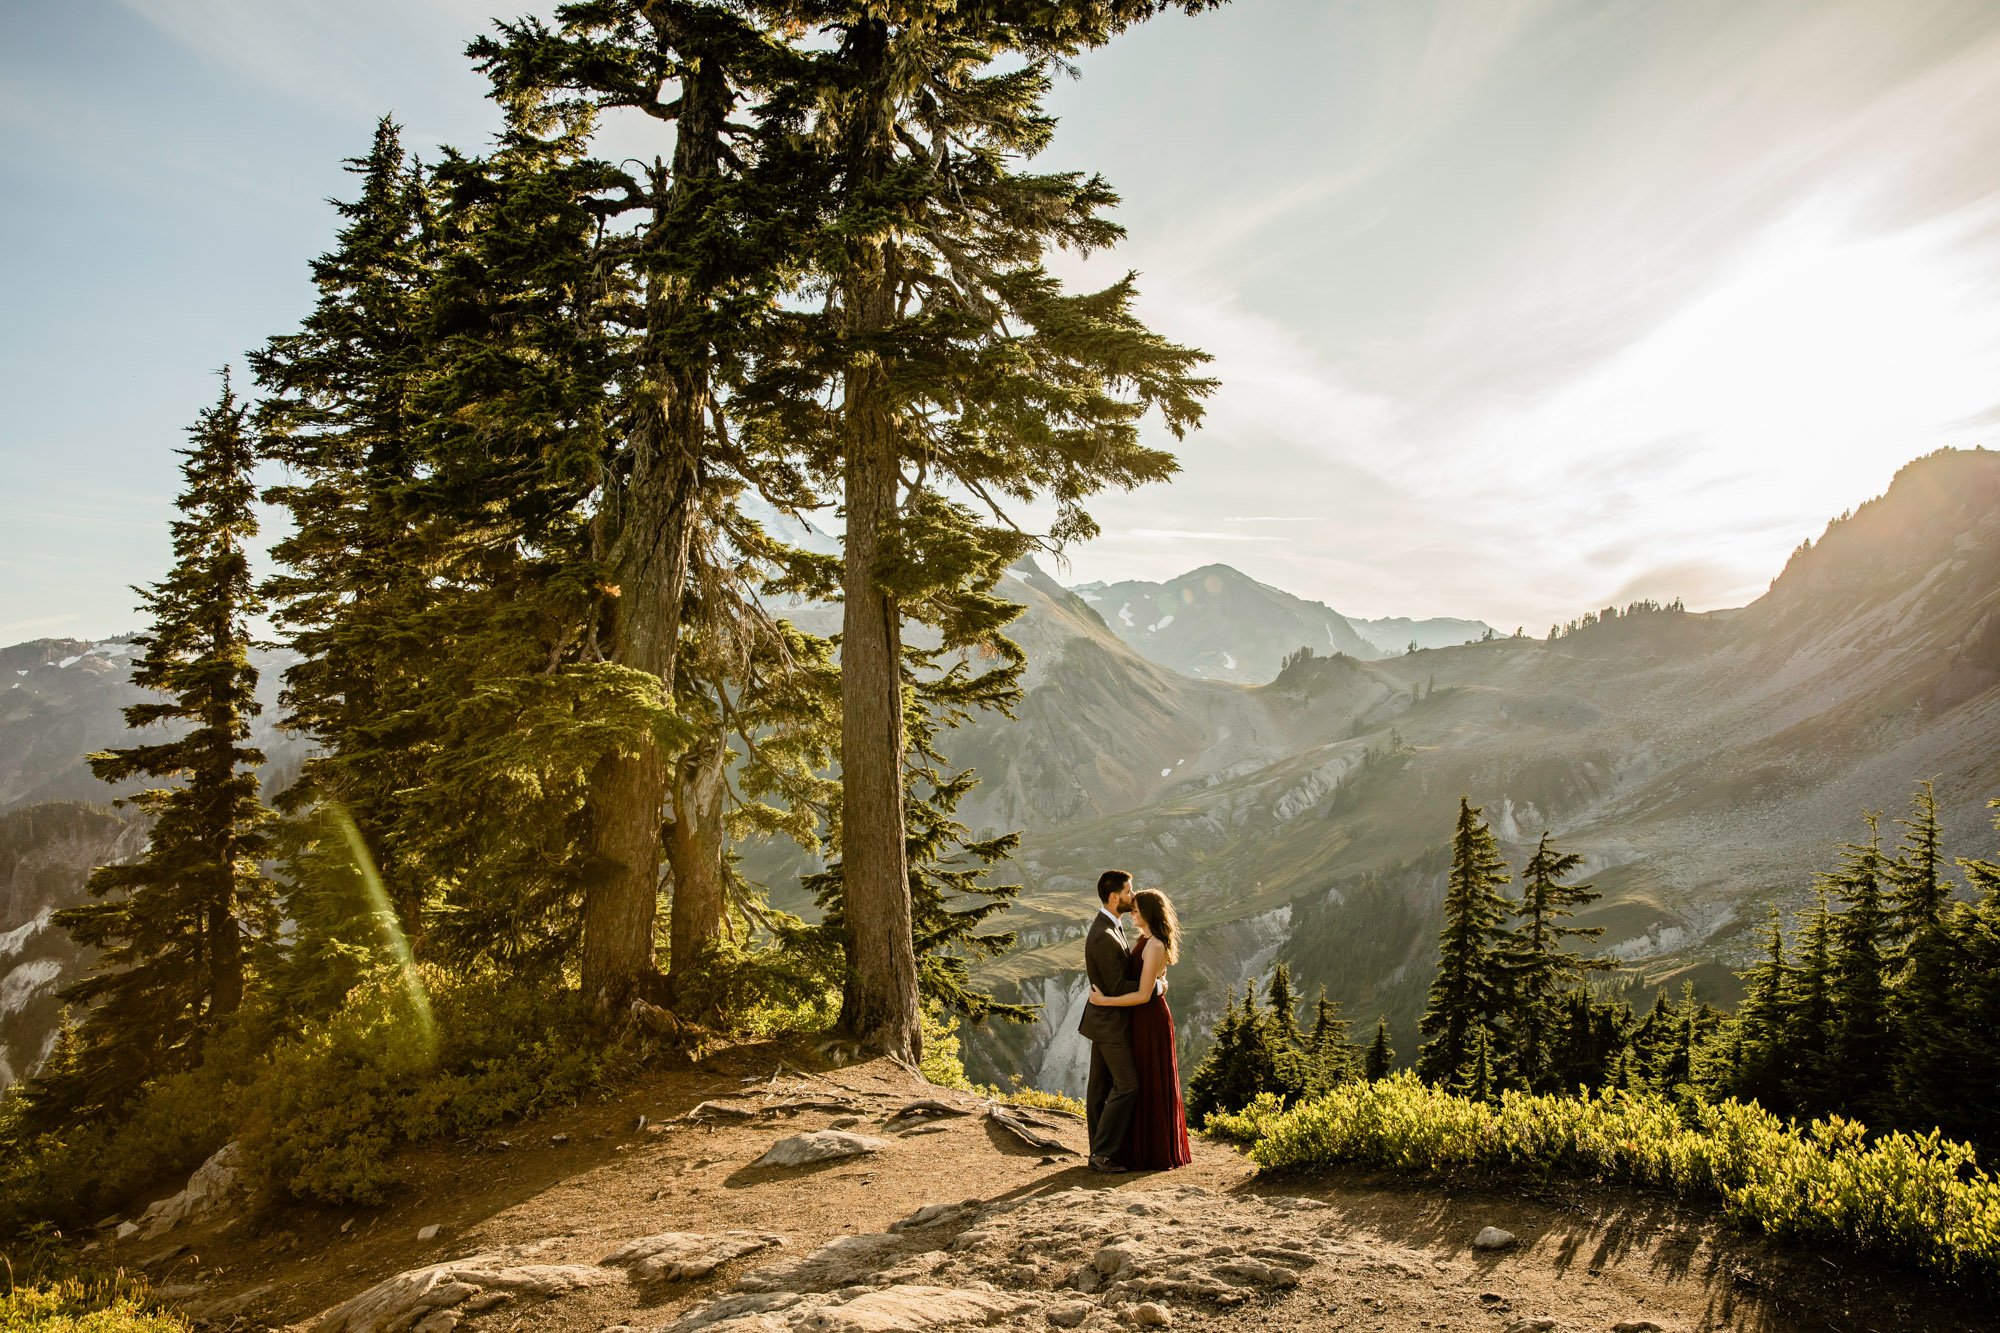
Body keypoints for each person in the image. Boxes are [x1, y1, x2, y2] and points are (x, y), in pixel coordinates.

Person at [1086, 887, 1192, 1170]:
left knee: (1144, 1081)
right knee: (1139, 1080)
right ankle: (1119, 1149)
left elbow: (1143, 994)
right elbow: (1154, 981)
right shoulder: (1145, 939)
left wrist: (1104, 1001)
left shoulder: (1155, 944)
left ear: (1147, 913)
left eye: (1135, 909)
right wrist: (1160, 984)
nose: (1131, 912)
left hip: (1148, 1018)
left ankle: (1147, 1150)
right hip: (1138, 1018)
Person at [1080, 869, 1142, 1172]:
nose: (1133, 896)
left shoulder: (1111, 926)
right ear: (1114, 896)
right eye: (1129, 891)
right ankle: (1102, 1154)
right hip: (1109, 1023)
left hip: (1102, 1021)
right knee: (1128, 1085)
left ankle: (1097, 1151)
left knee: (1099, 1089)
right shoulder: (1104, 935)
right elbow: (1117, 987)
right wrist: (1152, 985)